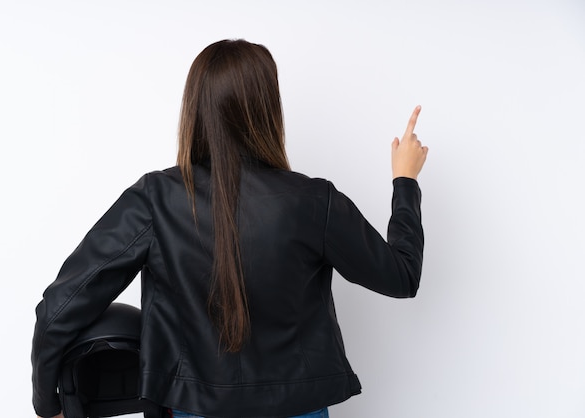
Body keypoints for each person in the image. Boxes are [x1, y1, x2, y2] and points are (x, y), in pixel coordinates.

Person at [32, 39, 428, 418]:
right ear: (268, 109)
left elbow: (60, 309)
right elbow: (401, 275)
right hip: (298, 409)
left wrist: (47, 405)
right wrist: (405, 181)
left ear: (195, 109)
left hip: (192, 409)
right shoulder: (313, 201)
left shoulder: (156, 199)